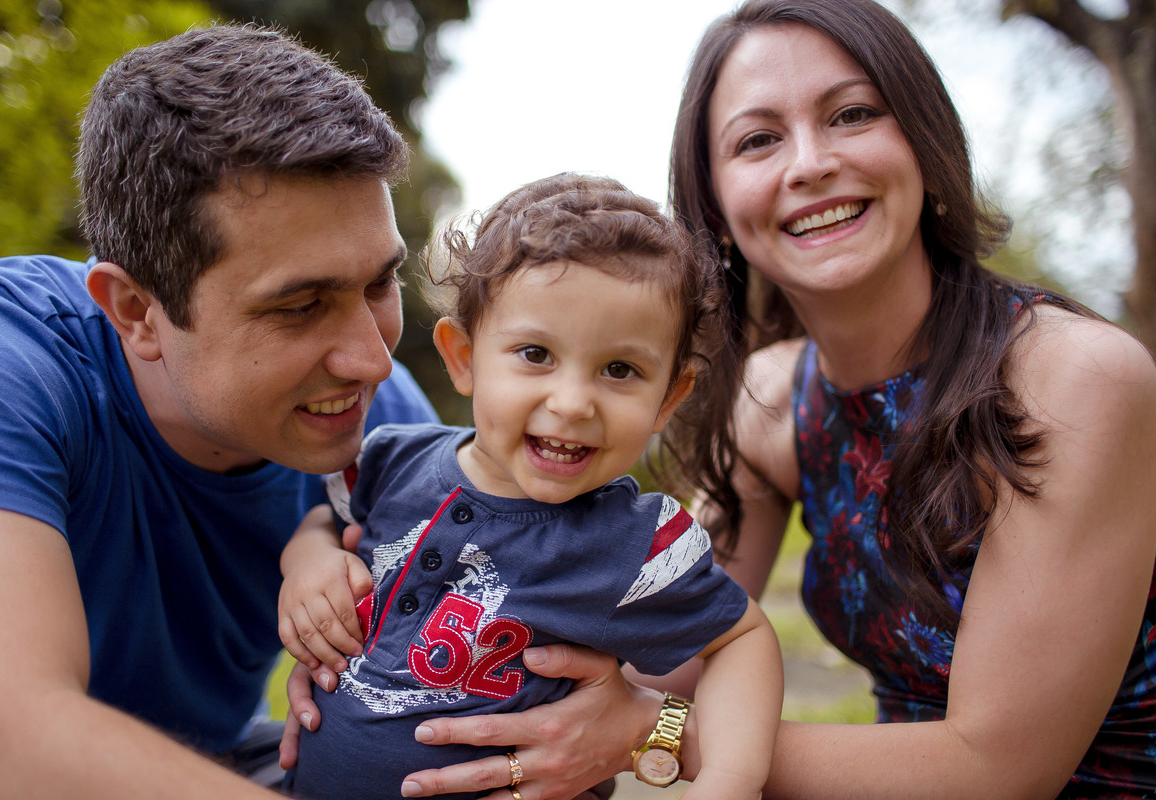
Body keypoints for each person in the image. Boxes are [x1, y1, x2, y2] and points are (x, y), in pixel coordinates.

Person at [358, 1, 1156, 798]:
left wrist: (648, 734)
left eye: (851, 114)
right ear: (717, 208)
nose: (808, 163)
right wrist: (359, 650)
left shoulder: (1072, 381)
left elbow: (1000, 770)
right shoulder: (773, 400)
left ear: (923, 137)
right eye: (758, 140)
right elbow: (651, 645)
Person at [0, 24, 441, 799]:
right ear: (137, 311)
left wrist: (636, 721)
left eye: (380, 284)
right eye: (301, 304)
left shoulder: (381, 426)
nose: (372, 361)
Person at [277, 173, 783, 800]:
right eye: (536, 354)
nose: (572, 403)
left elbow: (742, 637)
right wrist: (308, 562)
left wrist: (730, 779)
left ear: (667, 400)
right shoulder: (390, 460)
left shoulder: (634, 540)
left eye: (620, 369)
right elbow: (327, 521)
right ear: (464, 358)